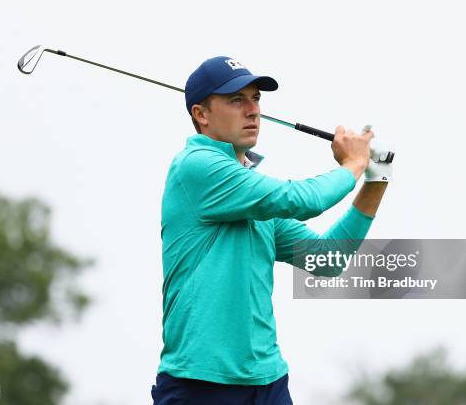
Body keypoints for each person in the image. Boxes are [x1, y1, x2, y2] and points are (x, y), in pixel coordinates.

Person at [152, 56, 390, 404]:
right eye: (236, 100)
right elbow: (300, 199)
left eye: (256, 99)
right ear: (201, 114)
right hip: (200, 383)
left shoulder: (247, 191)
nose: (253, 110)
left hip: (268, 382)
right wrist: (353, 163)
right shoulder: (196, 167)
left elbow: (327, 258)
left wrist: (376, 180)